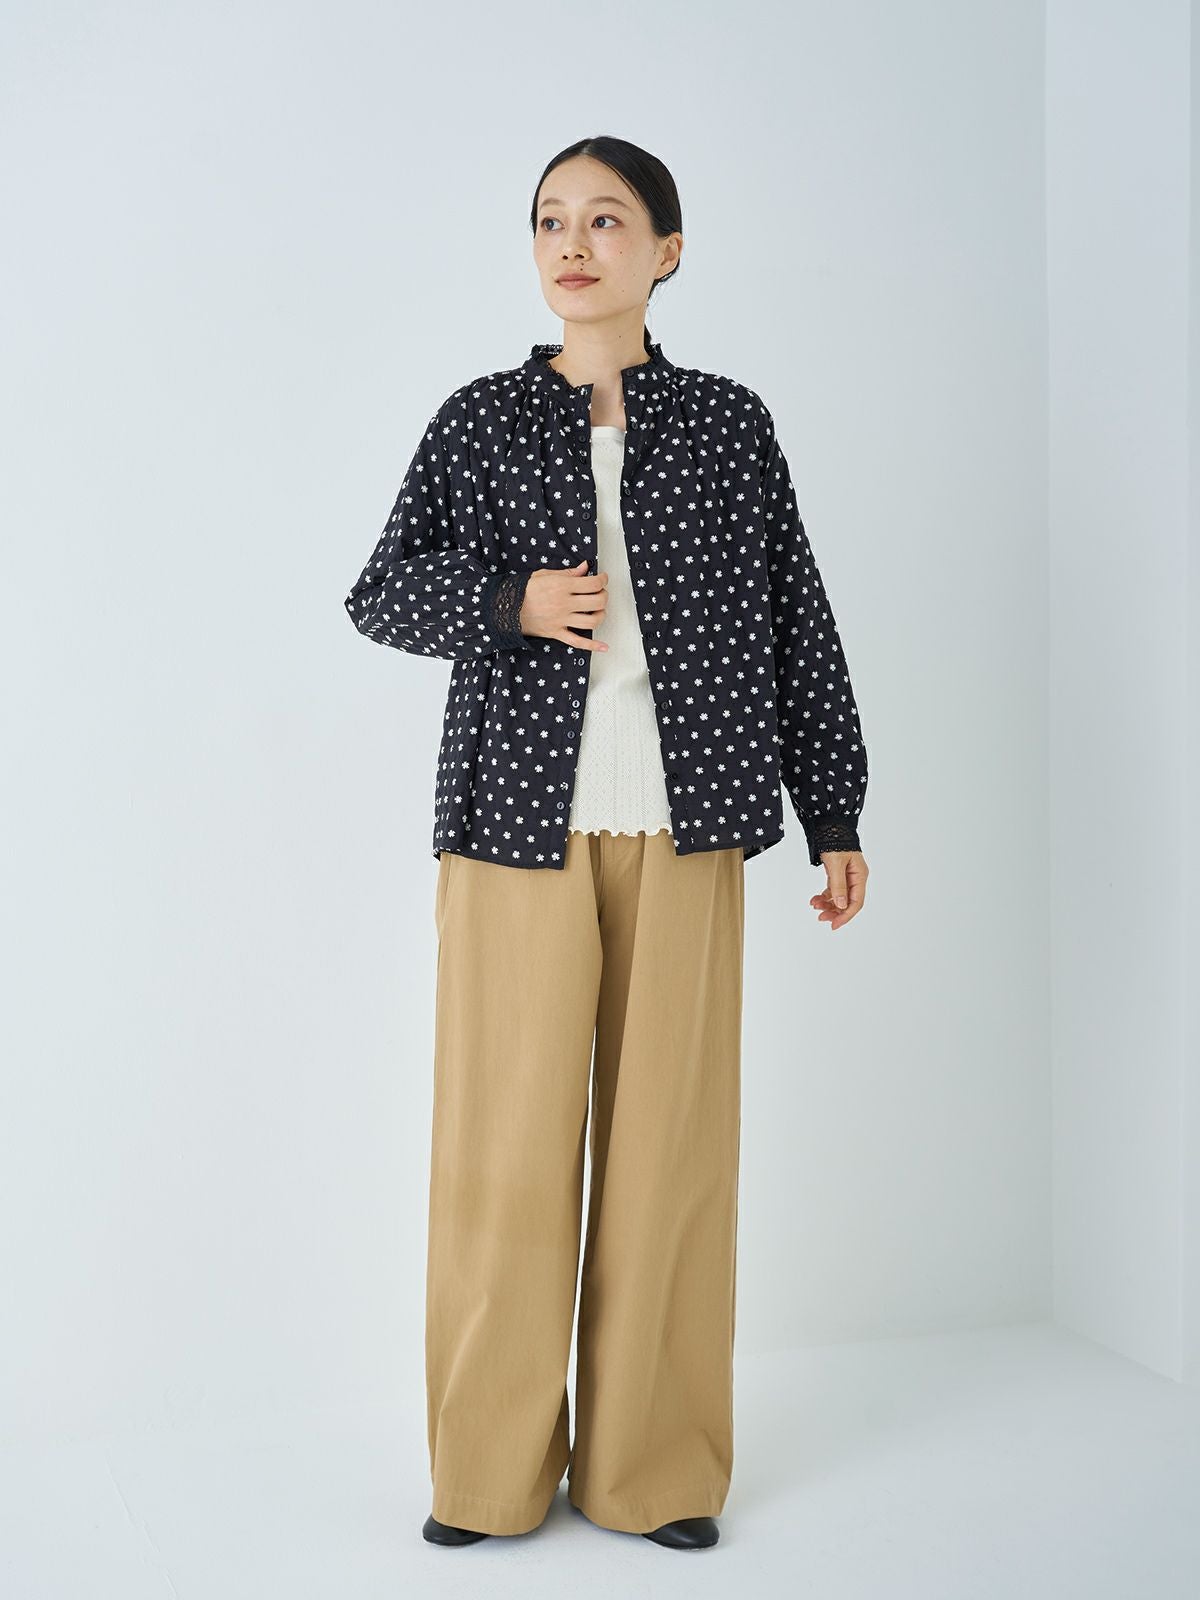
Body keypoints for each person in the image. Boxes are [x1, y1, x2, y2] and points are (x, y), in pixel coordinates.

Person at [343, 134, 870, 1552]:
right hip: (513, 828)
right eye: (550, 221)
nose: (573, 245)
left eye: (607, 220)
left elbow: (796, 617)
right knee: (502, 1157)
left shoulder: (732, 425)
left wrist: (834, 810)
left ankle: (652, 1473)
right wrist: (508, 600)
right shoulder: (477, 420)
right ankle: (487, 1477)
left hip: (692, 827)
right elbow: (379, 591)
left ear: (667, 251)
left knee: (671, 1161)